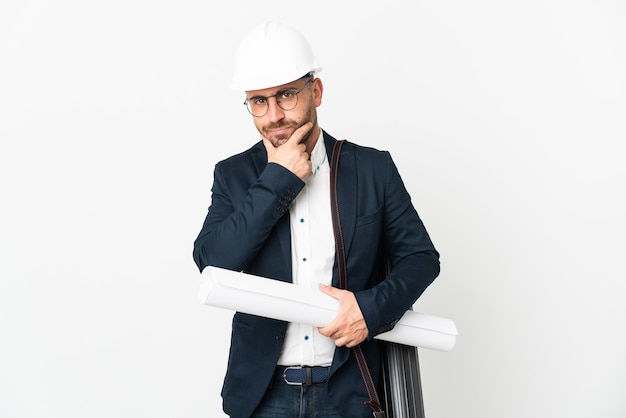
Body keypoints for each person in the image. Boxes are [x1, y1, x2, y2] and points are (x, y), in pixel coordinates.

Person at [193, 21, 440, 418]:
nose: (274, 115)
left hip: (351, 390)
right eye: (258, 101)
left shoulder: (372, 169)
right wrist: (278, 181)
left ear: (316, 92)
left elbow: (421, 259)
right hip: (263, 394)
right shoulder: (234, 175)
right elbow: (213, 263)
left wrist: (368, 310)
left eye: (286, 95)